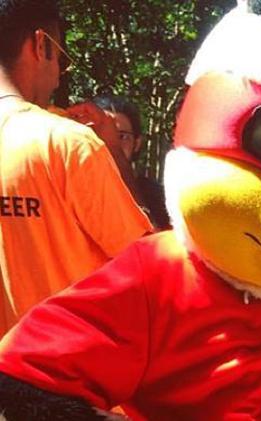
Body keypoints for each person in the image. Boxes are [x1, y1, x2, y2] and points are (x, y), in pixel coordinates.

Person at [0, 0, 152, 334]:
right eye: (62, 59)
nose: (59, 77)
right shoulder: (67, 142)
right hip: (68, 368)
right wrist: (112, 149)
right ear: (41, 45)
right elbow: (146, 267)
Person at [92, 94, 171, 229]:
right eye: (100, 136)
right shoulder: (73, 187)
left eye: (121, 136)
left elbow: (160, 243)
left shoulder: (159, 197)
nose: (111, 143)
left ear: (137, 143)